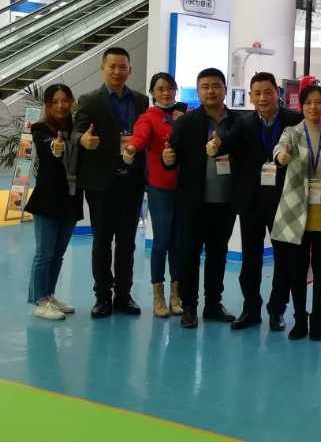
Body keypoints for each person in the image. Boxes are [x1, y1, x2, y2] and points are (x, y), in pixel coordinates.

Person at [208, 72, 302, 332]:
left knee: (283, 260)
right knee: (251, 259)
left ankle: (277, 310)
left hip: (284, 201)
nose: (262, 98)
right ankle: (251, 309)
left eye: (268, 92)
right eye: (257, 93)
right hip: (251, 202)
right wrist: (217, 147)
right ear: (250, 96)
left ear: (278, 93)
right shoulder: (244, 122)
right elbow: (227, 143)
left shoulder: (293, 121)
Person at [73, 47, 148, 318]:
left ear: (130, 70)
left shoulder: (141, 100)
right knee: (102, 242)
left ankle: (124, 295)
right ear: (102, 68)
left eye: (122, 67)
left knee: (127, 242)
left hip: (132, 182)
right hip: (101, 183)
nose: (117, 72)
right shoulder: (89, 100)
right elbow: (77, 130)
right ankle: (102, 296)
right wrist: (82, 140)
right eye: (112, 66)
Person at [164, 68, 238, 329]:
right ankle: (189, 307)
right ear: (198, 92)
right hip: (193, 202)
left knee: (218, 254)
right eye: (205, 86)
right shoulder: (187, 122)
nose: (211, 91)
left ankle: (213, 304)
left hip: (225, 202)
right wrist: (167, 160)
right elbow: (172, 156)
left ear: (225, 89)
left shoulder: (237, 122)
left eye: (216, 85)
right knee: (190, 255)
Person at [271, 85, 321, 342]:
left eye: (319, 102)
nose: (313, 107)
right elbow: (280, 147)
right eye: (308, 102)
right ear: (301, 106)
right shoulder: (292, 131)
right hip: (296, 211)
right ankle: (299, 319)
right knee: (297, 270)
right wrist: (281, 156)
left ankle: (316, 319)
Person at [123, 73, 187, 318]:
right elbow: (141, 135)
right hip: (161, 187)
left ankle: (176, 295)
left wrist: (185, 123)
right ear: (152, 93)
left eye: (169, 88)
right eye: (160, 89)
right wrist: (131, 147)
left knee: (179, 243)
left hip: (185, 188)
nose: (166, 93)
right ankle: (158, 294)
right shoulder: (149, 117)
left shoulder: (186, 115)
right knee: (161, 242)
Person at [25, 84, 83, 320]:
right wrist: (55, 146)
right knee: (45, 253)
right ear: (48, 105)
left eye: (65, 100)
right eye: (55, 101)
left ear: (72, 102)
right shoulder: (40, 127)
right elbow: (46, 142)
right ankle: (40, 302)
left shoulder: (77, 129)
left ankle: (49, 295)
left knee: (58, 254)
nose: (61, 106)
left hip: (71, 199)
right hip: (47, 200)